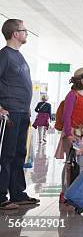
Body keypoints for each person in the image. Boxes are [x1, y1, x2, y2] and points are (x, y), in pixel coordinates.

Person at [0, 19, 40, 211]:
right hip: (10, 113)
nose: (26, 33)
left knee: (19, 154)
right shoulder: (4, 56)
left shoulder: (19, 56)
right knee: (6, 155)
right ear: (15, 33)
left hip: (22, 112)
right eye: (24, 30)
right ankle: (1, 197)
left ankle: (18, 193)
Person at [55, 67, 83, 207]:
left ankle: (74, 189)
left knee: (82, 161)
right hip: (73, 133)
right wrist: (68, 134)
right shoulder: (72, 95)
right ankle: (65, 192)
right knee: (70, 163)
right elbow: (67, 115)